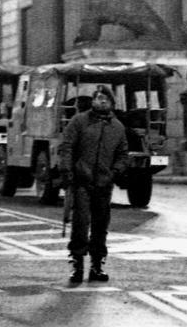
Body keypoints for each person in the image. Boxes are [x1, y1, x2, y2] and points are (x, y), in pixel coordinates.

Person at [57, 85, 128, 284]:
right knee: (80, 223)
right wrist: (67, 171)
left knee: (100, 226)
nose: (101, 101)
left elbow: (123, 154)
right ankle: (77, 264)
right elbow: (67, 147)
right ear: (93, 101)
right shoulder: (79, 121)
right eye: (98, 98)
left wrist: (114, 173)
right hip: (81, 181)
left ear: (112, 103)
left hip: (104, 184)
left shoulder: (118, 127)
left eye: (105, 98)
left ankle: (97, 266)